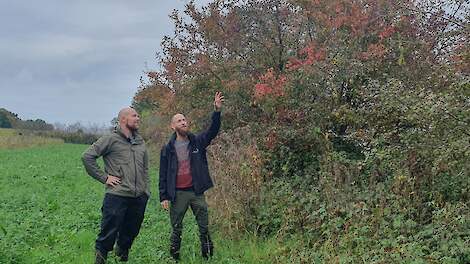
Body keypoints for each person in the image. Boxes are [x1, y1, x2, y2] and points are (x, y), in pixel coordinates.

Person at [159, 92, 224, 261]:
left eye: (184, 120)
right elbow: (163, 174)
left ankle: (208, 256)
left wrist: (216, 111)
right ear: (172, 126)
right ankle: (175, 257)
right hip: (178, 194)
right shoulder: (168, 149)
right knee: (176, 227)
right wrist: (163, 196)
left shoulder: (198, 141)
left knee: (204, 226)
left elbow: (212, 131)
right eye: (179, 121)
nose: (184, 122)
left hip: (196, 192)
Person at [82, 107, 150, 264]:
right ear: (123, 119)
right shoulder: (110, 139)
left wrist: (145, 190)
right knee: (108, 233)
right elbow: (87, 157)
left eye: (138, 115)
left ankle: (122, 255)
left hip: (139, 197)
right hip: (117, 195)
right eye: (134, 116)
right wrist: (104, 178)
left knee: (131, 232)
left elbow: (145, 168)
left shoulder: (140, 141)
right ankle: (101, 259)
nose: (138, 118)